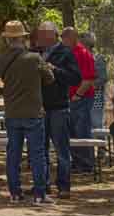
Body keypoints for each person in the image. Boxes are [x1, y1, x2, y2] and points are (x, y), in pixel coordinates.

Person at [0, 21, 55, 205]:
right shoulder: (35, 58)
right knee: (37, 155)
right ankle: (39, 194)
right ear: (23, 38)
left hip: (12, 113)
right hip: (33, 113)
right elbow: (50, 79)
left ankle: (15, 193)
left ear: (7, 40)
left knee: (13, 155)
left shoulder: (1, 60)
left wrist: (3, 91)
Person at [35, 21, 81, 199]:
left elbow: (75, 78)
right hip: (40, 108)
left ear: (52, 35)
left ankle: (64, 186)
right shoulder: (36, 52)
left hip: (59, 108)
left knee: (61, 150)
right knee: (41, 149)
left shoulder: (65, 52)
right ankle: (43, 185)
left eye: (41, 34)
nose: (38, 37)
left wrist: (55, 70)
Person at [62, 27, 96, 173]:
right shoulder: (68, 53)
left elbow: (89, 78)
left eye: (65, 38)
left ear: (72, 38)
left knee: (82, 130)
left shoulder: (83, 53)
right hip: (71, 99)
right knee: (72, 132)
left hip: (82, 98)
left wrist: (78, 95)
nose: (63, 41)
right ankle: (77, 162)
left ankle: (86, 164)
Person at [81, 31, 108, 130]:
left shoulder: (98, 58)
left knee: (97, 128)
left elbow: (102, 78)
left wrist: (87, 85)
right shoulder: (77, 59)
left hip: (96, 100)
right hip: (80, 100)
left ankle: (100, 141)